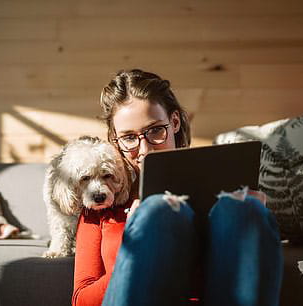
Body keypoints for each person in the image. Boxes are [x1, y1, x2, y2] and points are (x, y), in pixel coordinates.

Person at [72, 69, 283, 306]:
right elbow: (81, 299)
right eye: (129, 137)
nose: (145, 150)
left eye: (154, 131)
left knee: (245, 210)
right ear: (115, 141)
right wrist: (136, 246)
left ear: (174, 122)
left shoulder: (224, 198)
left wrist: (252, 219)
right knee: (159, 212)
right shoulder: (100, 203)